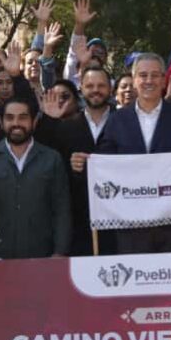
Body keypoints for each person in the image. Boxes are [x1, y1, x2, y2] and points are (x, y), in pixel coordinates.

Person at [89, 53, 171, 254]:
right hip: (132, 224)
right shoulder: (117, 120)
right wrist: (87, 164)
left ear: (164, 80)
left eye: (155, 75)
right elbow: (105, 164)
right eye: (143, 75)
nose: (149, 81)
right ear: (134, 80)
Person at [0, 99, 71, 259]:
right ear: (1, 123)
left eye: (22, 117)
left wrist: (60, 251)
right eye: (9, 118)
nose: (16, 123)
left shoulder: (51, 158)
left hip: (42, 254)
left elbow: (62, 209)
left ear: (34, 121)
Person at [36, 67, 115, 256]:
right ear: (81, 90)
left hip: (117, 219)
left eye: (101, 85)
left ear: (110, 89)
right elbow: (42, 157)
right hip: (77, 221)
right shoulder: (65, 127)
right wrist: (49, 119)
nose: (95, 90)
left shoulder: (124, 122)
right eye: (90, 86)